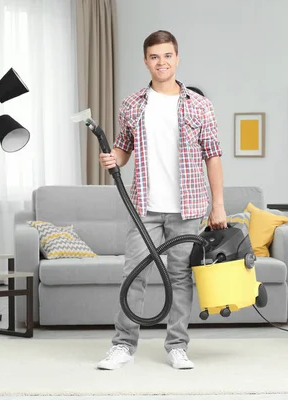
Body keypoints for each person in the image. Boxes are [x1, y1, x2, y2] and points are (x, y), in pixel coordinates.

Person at [96, 30, 226, 370]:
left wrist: (219, 204)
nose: (161, 62)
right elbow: (123, 149)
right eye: (155, 57)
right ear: (146, 61)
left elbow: (213, 156)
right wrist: (114, 158)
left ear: (177, 58)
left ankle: (177, 346)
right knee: (133, 276)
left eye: (167, 55)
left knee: (180, 277)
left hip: (187, 208)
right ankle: (123, 346)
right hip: (145, 209)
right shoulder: (132, 104)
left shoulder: (199, 105)